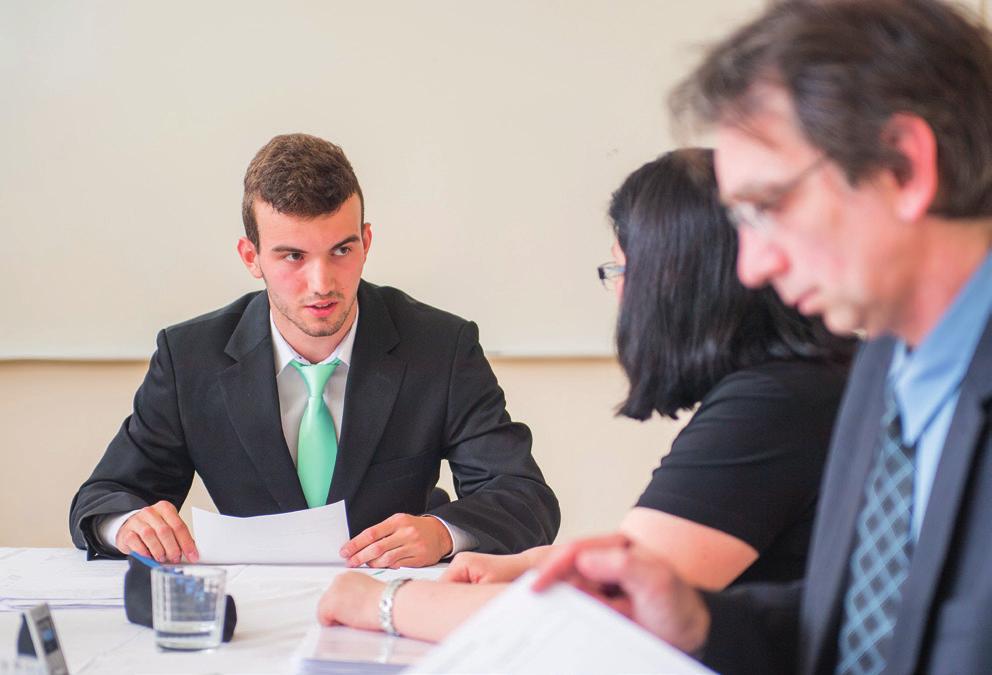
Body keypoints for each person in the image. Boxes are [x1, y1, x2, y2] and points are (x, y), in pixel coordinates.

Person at [535, 1, 992, 674]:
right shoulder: (882, 370)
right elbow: (884, 620)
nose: (752, 265)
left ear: (904, 167)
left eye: (769, 207)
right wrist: (697, 619)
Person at [315, 148, 854, 641]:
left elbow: (602, 614)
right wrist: (534, 564)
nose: (619, 293)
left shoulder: (769, 408)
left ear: (677, 278)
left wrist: (383, 602)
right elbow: (644, 560)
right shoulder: (801, 382)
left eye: (621, 269)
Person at [69, 133, 559, 567]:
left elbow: (525, 498)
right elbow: (103, 498)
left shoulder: (442, 347)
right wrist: (129, 524)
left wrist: (443, 532)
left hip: (393, 608)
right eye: (293, 257)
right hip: (250, 616)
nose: (322, 284)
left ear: (366, 242)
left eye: (342, 251)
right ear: (251, 257)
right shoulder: (189, 357)